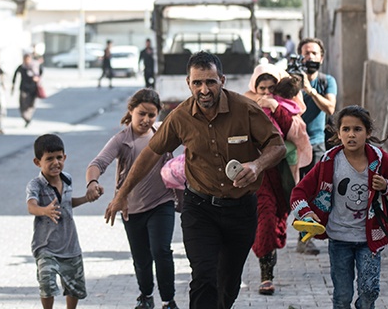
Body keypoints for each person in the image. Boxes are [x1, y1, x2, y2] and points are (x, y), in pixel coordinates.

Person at [104, 51, 286, 309]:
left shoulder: (245, 109)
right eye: (197, 83)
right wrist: (122, 194)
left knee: (228, 283)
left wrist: (257, 165)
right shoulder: (180, 117)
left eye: (210, 82)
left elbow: (276, 146)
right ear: (188, 83)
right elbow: (149, 154)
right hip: (200, 210)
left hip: (241, 210)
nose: (204, 89)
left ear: (222, 80)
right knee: (203, 277)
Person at [291, 105, 388, 309]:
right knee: (342, 296)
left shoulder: (378, 159)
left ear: (368, 132)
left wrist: (386, 185)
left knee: (369, 291)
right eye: (346, 129)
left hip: (369, 239)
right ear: (338, 133)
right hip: (339, 238)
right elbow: (298, 192)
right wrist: (307, 214)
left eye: (357, 129)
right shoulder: (329, 161)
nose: (351, 134)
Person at [85, 89, 180, 309]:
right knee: (141, 258)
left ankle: (168, 300)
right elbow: (96, 164)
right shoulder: (121, 139)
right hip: (132, 208)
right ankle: (145, 296)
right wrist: (92, 182)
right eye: (142, 114)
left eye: (152, 115)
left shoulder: (162, 134)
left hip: (161, 202)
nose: (146, 120)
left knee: (161, 250)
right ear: (131, 111)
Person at [243, 63, 308, 296]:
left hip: (279, 173)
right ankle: (266, 276)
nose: (266, 93)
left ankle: (268, 262)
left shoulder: (287, 105)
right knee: (266, 220)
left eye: (272, 88)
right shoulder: (245, 104)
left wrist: (275, 107)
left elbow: (295, 131)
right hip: (256, 174)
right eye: (262, 88)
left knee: (277, 217)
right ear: (255, 87)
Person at [26, 134, 100, 309]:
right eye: (49, 159)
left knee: (74, 287)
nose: (55, 162)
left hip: (70, 245)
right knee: (47, 284)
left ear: (64, 157)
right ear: (38, 162)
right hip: (46, 246)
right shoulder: (35, 185)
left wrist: (86, 198)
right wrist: (45, 211)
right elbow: (31, 206)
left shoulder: (67, 178)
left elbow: (66, 203)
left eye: (59, 157)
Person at [296, 37, 338, 254]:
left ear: (321, 57)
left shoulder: (326, 81)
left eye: (313, 53)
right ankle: (300, 235)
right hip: (294, 145)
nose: (309, 57)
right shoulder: (291, 80)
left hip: (317, 144)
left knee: (314, 193)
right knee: (296, 192)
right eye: (305, 53)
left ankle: (306, 236)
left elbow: (330, 108)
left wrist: (309, 90)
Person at [12, 53, 42, 127]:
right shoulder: (22, 67)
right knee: (23, 105)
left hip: (33, 89)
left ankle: (28, 117)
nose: (26, 61)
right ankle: (26, 118)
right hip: (24, 88)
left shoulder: (34, 66)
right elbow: (15, 74)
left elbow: (40, 71)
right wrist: (13, 85)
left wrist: (37, 78)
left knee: (31, 105)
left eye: (28, 59)